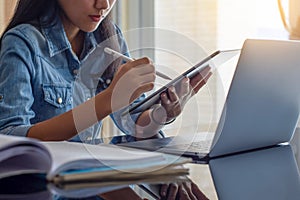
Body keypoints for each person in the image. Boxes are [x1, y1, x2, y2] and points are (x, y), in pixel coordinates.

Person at [0, 0, 211, 199]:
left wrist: (163, 113)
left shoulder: (108, 39)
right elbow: (12, 141)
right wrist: (108, 100)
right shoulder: (22, 44)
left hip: (91, 182)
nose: (104, 5)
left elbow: (134, 122)